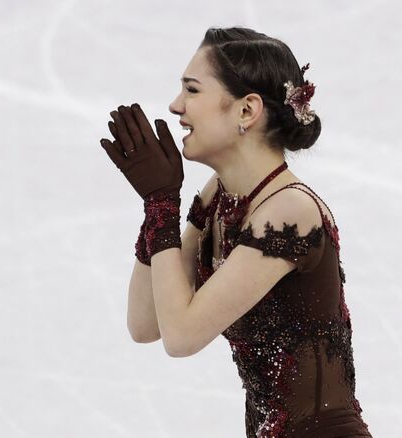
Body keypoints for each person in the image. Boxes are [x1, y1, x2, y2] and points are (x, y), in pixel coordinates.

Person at [99, 26, 373, 438]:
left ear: (246, 111)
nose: (176, 106)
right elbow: (146, 323)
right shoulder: (219, 199)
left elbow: (182, 336)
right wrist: (156, 205)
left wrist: (163, 203)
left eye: (192, 90)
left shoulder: (290, 211)